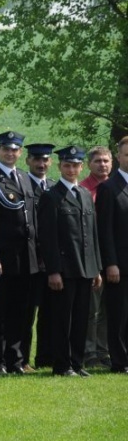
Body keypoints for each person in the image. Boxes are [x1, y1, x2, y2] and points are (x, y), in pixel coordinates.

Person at [0, 131, 39, 375]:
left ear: (20, 152)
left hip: (26, 257)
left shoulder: (24, 177)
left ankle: (16, 360)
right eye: (6, 149)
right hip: (2, 256)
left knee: (20, 312)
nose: (10, 153)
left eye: (14, 150)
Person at [38, 146, 102, 377]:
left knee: (81, 319)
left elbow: (92, 234)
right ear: (60, 166)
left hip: (86, 268)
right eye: (67, 165)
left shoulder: (84, 194)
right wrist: (53, 271)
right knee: (62, 319)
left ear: (81, 167)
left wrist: (96, 268)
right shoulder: (51, 196)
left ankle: (77, 362)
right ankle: (62, 365)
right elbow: (48, 238)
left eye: (76, 165)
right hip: (64, 269)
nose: (72, 169)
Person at [96, 136, 128, 374]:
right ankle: (120, 361)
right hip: (119, 266)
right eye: (126, 154)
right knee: (118, 316)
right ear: (119, 157)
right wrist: (111, 263)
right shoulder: (108, 188)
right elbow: (104, 230)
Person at [80, 146, 112, 368]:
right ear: (89, 164)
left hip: (115, 259)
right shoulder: (83, 190)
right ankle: (89, 352)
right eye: (98, 161)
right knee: (92, 309)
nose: (102, 164)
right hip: (92, 258)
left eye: (106, 161)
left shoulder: (118, 187)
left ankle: (105, 350)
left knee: (110, 310)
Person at [24, 143, 55, 368]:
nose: (41, 164)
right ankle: (21, 359)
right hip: (29, 261)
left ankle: (45, 357)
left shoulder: (53, 187)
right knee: (26, 315)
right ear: (28, 161)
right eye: (36, 160)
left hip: (52, 261)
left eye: (45, 160)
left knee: (50, 313)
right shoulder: (22, 184)